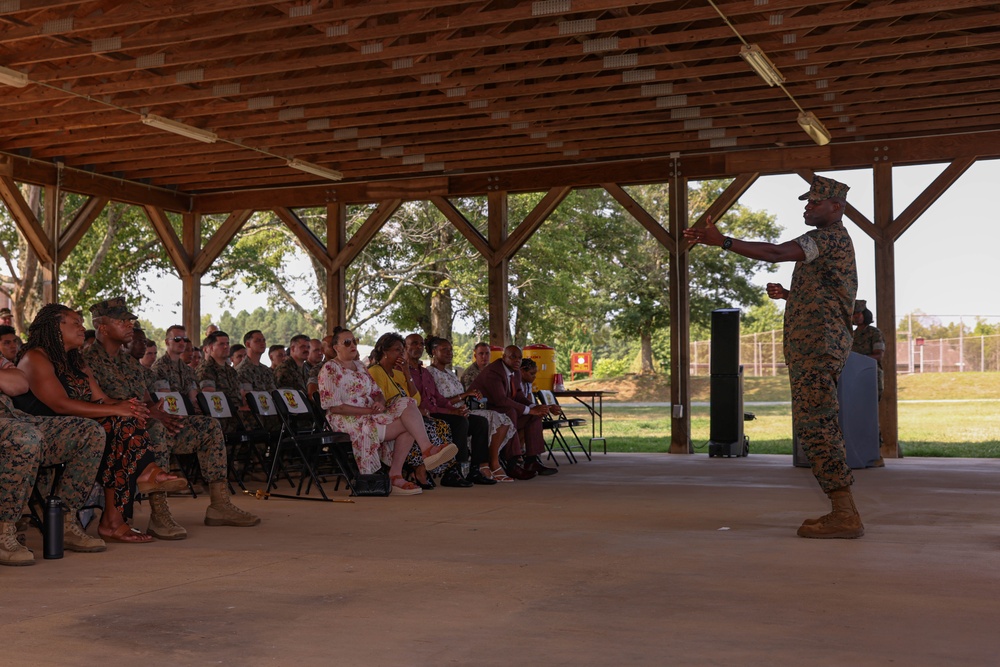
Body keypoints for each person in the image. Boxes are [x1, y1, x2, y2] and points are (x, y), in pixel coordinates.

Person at [684, 174, 862, 539]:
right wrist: (788, 294)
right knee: (816, 422)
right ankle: (841, 509)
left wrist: (725, 242)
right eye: (807, 201)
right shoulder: (825, 243)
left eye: (816, 202)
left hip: (819, 347)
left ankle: (845, 513)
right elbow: (824, 293)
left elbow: (776, 253)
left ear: (836, 207)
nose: (808, 207)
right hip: (814, 346)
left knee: (818, 424)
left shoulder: (827, 238)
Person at [15, 304, 187, 544]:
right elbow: (60, 405)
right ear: (55, 327)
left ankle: (116, 516)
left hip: (76, 426)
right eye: (75, 323)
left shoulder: (75, 360)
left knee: (125, 422)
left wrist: (131, 408)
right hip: (42, 429)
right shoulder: (36, 357)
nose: (82, 327)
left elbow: (101, 399)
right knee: (109, 427)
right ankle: (112, 510)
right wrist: (116, 408)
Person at [85, 301, 259, 538]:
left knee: (208, 426)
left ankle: (220, 504)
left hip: (144, 424)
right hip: (114, 433)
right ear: (102, 327)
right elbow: (96, 404)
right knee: (155, 428)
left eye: (130, 320)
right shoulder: (87, 360)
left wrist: (158, 411)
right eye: (122, 321)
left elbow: (146, 400)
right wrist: (152, 414)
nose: (130, 325)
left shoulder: (129, 364)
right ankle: (159, 514)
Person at [318, 327, 457, 496]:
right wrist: (368, 410)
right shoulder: (330, 368)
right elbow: (334, 407)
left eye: (355, 341)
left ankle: (423, 452)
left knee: (408, 404)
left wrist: (379, 403)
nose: (352, 345)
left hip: (371, 412)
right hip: (345, 418)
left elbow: (377, 393)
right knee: (408, 424)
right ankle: (397, 474)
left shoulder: (361, 366)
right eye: (347, 342)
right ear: (336, 348)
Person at [0, 353, 108, 564]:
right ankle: (3, 531)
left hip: (16, 419)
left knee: (89, 432)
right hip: (16, 430)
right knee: (26, 438)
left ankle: (64, 521)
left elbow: (20, 384)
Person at [368, 332, 457, 489]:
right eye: (397, 350)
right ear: (385, 352)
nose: (401, 354)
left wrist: (406, 372)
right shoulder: (375, 371)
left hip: (402, 416)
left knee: (426, 425)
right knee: (425, 425)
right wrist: (406, 406)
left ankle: (403, 471)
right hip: (381, 416)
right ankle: (425, 455)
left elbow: (415, 400)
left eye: (402, 350)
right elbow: (383, 400)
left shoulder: (398, 373)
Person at [425, 336, 512, 484]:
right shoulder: (430, 373)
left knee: (481, 422)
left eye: (451, 350)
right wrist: (464, 395)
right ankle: (457, 470)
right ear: (434, 352)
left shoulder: (450, 373)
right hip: (440, 412)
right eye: (444, 349)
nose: (449, 353)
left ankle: (476, 468)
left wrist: (468, 399)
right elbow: (438, 401)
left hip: (459, 411)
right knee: (462, 422)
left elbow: (459, 398)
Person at [469, 345, 560, 480]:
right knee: (510, 412)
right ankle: (513, 463)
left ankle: (532, 461)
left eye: (519, 358)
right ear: (504, 357)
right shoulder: (494, 372)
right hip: (483, 409)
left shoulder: (515, 371)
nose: (517, 361)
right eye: (513, 357)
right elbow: (501, 400)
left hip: (500, 408)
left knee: (534, 416)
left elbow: (518, 396)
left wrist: (538, 407)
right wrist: (530, 410)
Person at [403, 333, 477, 488]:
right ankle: (453, 470)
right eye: (414, 343)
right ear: (405, 347)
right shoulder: (403, 371)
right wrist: (452, 412)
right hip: (419, 413)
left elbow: (438, 397)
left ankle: (477, 467)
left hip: (434, 410)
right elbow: (424, 405)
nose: (418, 347)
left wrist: (454, 409)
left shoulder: (424, 372)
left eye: (421, 344)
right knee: (458, 422)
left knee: (478, 422)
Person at [151, 325, 200, 411]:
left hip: (188, 413)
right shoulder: (160, 368)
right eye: (177, 339)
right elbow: (167, 401)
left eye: (184, 339)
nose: (182, 343)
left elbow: (194, 399)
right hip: (172, 413)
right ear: (167, 342)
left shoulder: (188, 370)